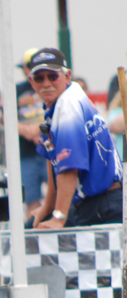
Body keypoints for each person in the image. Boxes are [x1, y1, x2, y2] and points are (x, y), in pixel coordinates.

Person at [26, 48, 123, 229]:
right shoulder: (67, 96)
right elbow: (52, 158)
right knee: (32, 226)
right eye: (39, 78)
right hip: (101, 203)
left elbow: (69, 166)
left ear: (67, 76)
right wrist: (47, 207)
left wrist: (59, 217)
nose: (46, 83)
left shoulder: (67, 107)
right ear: (32, 82)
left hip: (104, 206)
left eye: (52, 76)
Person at [15, 48, 49, 216]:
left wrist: (37, 129)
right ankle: (34, 236)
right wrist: (25, 130)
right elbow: (1, 115)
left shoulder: (49, 86)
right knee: (31, 200)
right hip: (27, 153)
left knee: (60, 195)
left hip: (50, 150)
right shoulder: (17, 90)